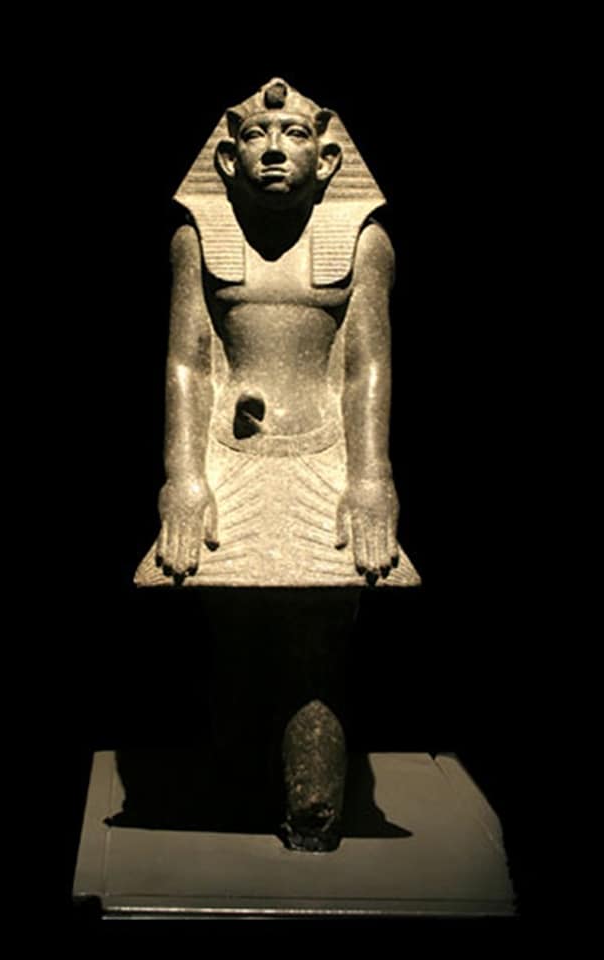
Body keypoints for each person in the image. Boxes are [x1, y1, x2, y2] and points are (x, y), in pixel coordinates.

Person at [134, 79, 419, 850]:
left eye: (292, 134)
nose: (272, 150)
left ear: (326, 159)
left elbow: (364, 367)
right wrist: (183, 477)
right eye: (257, 137)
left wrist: (370, 479)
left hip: (326, 458)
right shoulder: (197, 241)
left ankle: (311, 808)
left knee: (316, 640)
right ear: (226, 159)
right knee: (232, 631)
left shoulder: (362, 244)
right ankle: (235, 783)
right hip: (228, 458)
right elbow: (189, 363)